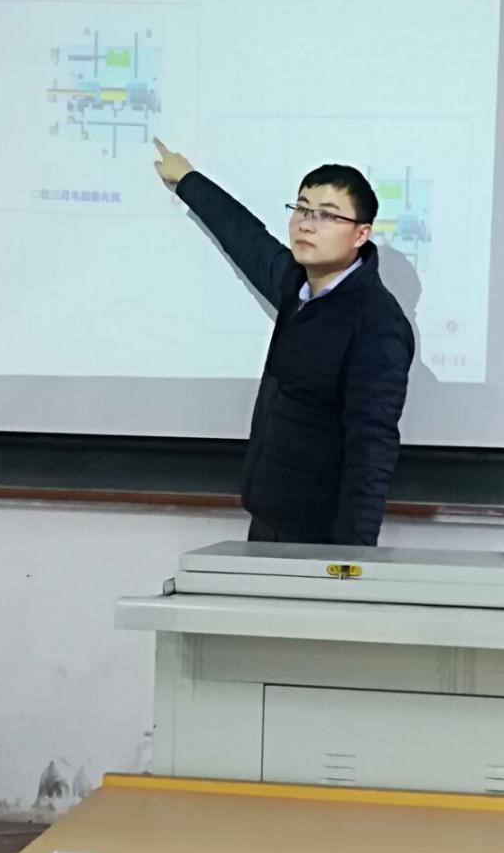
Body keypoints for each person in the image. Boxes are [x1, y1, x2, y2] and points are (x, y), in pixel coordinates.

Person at [153, 139, 414, 547]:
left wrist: (353, 561)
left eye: (327, 215)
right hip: (268, 517)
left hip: (321, 536)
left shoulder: (377, 324)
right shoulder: (297, 285)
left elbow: (372, 450)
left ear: (361, 233)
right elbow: (246, 237)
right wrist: (187, 179)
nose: (307, 224)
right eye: (303, 209)